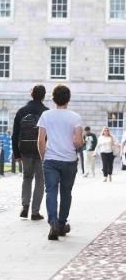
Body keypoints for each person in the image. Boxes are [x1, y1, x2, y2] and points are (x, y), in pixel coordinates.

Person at [37, 84, 82, 240]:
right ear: (68, 98)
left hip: (51, 159)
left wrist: (44, 156)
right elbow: (78, 142)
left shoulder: (46, 115)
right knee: (66, 193)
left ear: (53, 98)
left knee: (50, 191)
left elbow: (41, 141)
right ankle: (62, 224)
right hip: (69, 160)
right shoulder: (75, 117)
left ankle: (53, 222)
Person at [11, 85, 48, 220]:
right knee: (40, 180)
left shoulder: (22, 111)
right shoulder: (46, 112)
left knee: (27, 178)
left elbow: (15, 134)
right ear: (43, 96)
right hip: (41, 151)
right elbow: (49, 135)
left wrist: (17, 153)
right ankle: (35, 212)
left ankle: (25, 205)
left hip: (25, 150)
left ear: (31, 94)